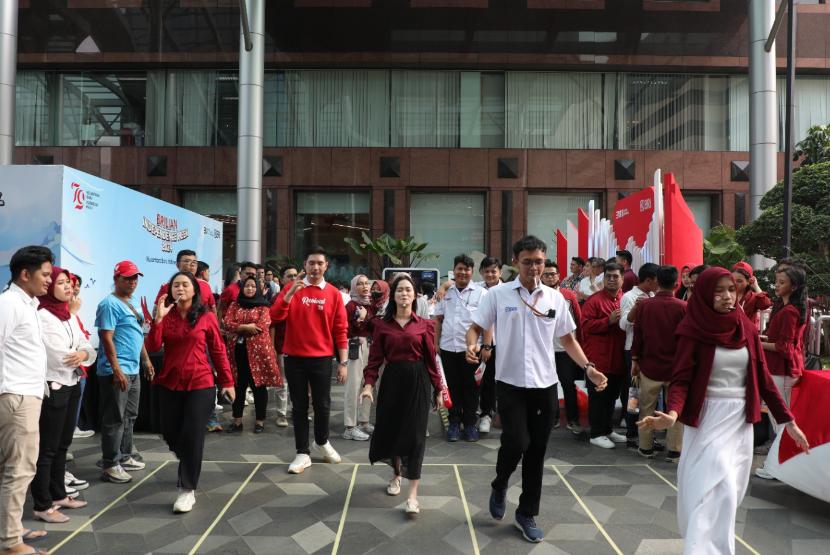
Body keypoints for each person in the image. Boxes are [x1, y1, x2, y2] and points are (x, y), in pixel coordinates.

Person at [638, 267, 810, 555]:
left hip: (740, 421)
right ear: (705, 293)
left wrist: (788, 421)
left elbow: (764, 379)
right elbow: (681, 380)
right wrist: (672, 413)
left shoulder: (746, 328)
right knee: (718, 489)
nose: (728, 296)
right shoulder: (692, 331)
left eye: (731, 289)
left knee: (731, 495)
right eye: (719, 290)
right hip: (707, 418)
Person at [466, 236, 608, 543]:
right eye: (528, 261)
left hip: (545, 385)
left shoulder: (555, 299)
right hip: (510, 384)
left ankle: (526, 512)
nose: (534, 267)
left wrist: (588, 368)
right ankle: (500, 482)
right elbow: (476, 326)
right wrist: (471, 345)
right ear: (515, 261)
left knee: (537, 451)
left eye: (539, 261)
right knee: (516, 441)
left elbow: (568, 339)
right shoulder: (498, 295)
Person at [147, 272, 235, 513]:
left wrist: (227, 381)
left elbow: (217, 350)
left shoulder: (206, 317)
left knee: (193, 434)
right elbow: (153, 347)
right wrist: (158, 319)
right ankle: (188, 457)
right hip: (170, 383)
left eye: (185, 284)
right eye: (176, 285)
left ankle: (187, 489)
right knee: (169, 432)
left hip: (201, 382)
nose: (180, 289)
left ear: (195, 289)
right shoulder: (166, 315)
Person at [359, 273, 443, 516]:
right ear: (393, 296)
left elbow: (431, 360)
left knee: (416, 437)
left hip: (418, 382)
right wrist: (368, 385)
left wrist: (438, 388)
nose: (404, 294)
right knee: (394, 431)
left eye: (408, 290)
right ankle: (396, 475)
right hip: (392, 381)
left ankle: (413, 495)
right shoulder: (383, 326)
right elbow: (374, 360)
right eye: (399, 290)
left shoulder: (425, 325)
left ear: (414, 295)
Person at [270, 247, 348, 475]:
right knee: (299, 406)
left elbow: (341, 330)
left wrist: (343, 363)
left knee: (323, 405)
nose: (315, 267)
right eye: (311, 263)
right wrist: (290, 293)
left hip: (322, 359)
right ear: (305, 265)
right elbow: (274, 317)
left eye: (319, 263)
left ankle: (322, 441)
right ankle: (302, 452)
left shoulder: (334, 294)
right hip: (294, 358)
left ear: (326, 267)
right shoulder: (291, 289)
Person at [31, 268, 97, 524]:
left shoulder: (67, 315)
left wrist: (81, 354)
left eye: (69, 282)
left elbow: (86, 347)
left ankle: (58, 495)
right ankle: (42, 504)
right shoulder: (43, 315)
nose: (68, 287)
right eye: (61, 282)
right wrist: (80, 354)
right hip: (54, 386)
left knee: (62, 446)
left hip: (71, 383)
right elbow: (61, 356)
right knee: (47, 449)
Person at [0, 246, 53, 555]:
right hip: (16, 397)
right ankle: (9, 544)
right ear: (24, 274)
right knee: (18, 470)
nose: (49, 280)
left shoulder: (27, 304)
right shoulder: (9, 304)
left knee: (15, 468)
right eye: (45, 275)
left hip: (24, 395)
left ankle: (12, 529)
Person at [95, 261, 154, 484]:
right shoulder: (109, 304)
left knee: (130, 415)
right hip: (116, 370)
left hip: (133, 368)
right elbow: (106, 338)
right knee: (115, 418)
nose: (132, 282)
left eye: (135, 278)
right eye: (127, 278)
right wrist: (116, 369)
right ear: (116, 279)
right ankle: (110, 463)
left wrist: (146, 360)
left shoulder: (133, 303)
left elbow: (137, 334)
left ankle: (125, 456)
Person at [755, 264, 809, 480]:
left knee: (783, 421)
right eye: (777, 282)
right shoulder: (789, 308)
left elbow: (784, 347)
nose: (777, 286)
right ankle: (778, 467)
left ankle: (776, 468)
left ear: (794, 286)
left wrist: (757, 343)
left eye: (782, 283)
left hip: (783, 369)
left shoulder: (789, 312)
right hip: (783, 369)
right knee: (782, 421)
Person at [631, 265, 686, 461]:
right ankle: (675, 449)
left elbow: (638, 335)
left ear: (657, 282)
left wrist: (635, 359)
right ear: (677, 284)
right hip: (676, 368)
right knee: (676, 409)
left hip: (649, 366)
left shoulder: (645, 306)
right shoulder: (683, 307)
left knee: (646, 407)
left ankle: (645, 447)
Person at [434, 254, 490, 442]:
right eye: (460, 269)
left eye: (467, 269)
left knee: (471, 388)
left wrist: (486, 346)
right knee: (453, 388)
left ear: (472, 272)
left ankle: (470, 424)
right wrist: (435, 343)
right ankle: (454, 424)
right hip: (448, 347)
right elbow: (438, 320)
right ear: (454, 270)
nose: (463, 272)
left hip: (472, 349)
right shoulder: (445, 293)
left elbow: (488, 322)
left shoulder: (481, 293)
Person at [223, 276, 282, 434]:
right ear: (242, 288)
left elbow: (262, 326)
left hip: (258, 354)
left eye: (253, 286)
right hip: (238, 352)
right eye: (247, 286)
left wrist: (240, 327)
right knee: (238, 386)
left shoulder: (264, 306)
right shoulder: (235, 304)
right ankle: (237, 422)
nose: (250, 289)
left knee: (259, 387)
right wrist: (246, 326)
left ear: (257, 289)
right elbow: (227, 323)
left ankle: (260, 422)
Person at [581, 262, 626, 449]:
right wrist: (607, 321)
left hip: (619, 358)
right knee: (598, 397)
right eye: (608, 276)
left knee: (612, 396)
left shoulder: (626, 299)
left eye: (616, 276)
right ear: (603, 278)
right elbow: (585, 327)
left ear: (622, 278)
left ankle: (607, 430)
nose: (612, 280)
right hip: (598, 358)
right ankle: (596, 433)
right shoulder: (594, 300)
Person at [618, 262, 659, 445]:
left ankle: (648, 433)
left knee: (650, 394)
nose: (659, 284)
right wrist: (636, 308)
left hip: (650, 351)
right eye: (657, 280)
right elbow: (623, 325)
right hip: (632, 350)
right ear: (649, 280)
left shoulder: (653, 295)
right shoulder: (629, 296)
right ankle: (632, 432)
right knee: (633, 393)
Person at [542, 261, 583, 431]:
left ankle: (573, 419)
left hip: (565, 349)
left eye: (553, 274)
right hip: (545, 349)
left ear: (559, 276)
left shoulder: (568, 295)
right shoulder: (537, 295)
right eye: (547, 274)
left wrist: (579, 346)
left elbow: (578, 321)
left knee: (568, 384)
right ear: (542, 277)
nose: (550, 277)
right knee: (548, 385)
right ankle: (552, 418)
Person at [343, 275, 373, 441]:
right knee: (353, 387)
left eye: (366, 283)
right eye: (360, 284)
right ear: (354, 287)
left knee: (367, 384)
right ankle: (350, 426)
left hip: (369, 347)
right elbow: (344, 328)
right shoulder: (351, 306)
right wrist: (360, 319)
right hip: (354, 347)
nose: (365, 286)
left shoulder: (370, 305)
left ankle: (364, 421)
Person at [476, 256, 502, 434]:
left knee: (493, 380)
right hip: (477, 343)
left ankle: (487, 413)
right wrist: (443, 286)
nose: (490, 274)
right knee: (478, 379)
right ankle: (478, 411)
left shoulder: (508, 290)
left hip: (501, 343)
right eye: (487, 271)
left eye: (494, 271)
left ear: (500, 272)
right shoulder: (477, 289)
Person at [272, 265, 299, 428]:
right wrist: (273, 348)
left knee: (299, 383)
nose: (293, 278)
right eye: (289, 276)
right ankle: (281, 414)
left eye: (296, 275)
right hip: (282, 346)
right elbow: (272, 324)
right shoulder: (277, 297)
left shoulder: (303, 295)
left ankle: (297, 411)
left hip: (300, 347)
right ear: (282, 280)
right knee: (282, 383)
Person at [154, 250, 215, 315]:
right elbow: (156, 312)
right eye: (187, 261)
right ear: (178, 265)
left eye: (194, 262)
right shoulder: (167, 287)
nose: (192, 264)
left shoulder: (205, 286)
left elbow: (213, 310)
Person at [732, 261, 772, 330]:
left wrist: (756, 286)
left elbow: (766, 304)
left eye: (739, 281)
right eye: (732, 279)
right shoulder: (727, 295)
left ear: (749, 281)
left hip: (748, 335)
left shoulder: (753, 297)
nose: (735, 283)